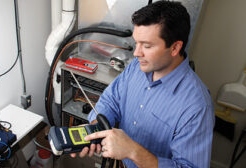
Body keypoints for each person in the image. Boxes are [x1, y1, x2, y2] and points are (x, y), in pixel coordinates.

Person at [71, 1, 214, 167]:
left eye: (146, 46)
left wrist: (133, 152)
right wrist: (96, 129)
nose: (136, 53)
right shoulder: (136, 67)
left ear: (175, 48)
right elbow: (111, 100)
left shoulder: (197, 106)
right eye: (136, 43)